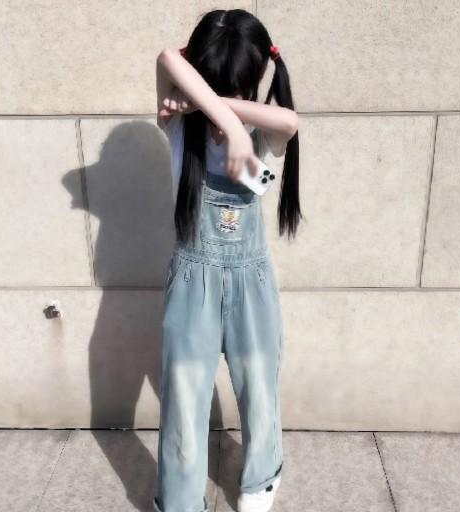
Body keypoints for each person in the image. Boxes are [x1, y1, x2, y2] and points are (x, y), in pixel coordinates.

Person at [154, 8, 302, 512]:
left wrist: (235, 121)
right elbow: (167, 57)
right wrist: (221, 119)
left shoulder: (263, 132)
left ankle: (261, 478)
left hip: (250, 281)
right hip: (192, 278)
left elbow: (288, 121)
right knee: (183, 395)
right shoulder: (177, 124)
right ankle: (180, 499)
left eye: (234, 89)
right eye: (212, 88)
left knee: (260, 386)